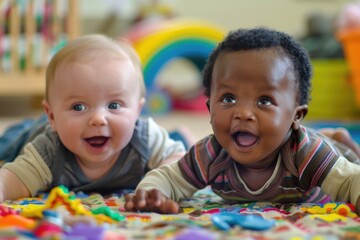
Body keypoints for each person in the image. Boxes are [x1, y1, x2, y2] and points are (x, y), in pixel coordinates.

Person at [124, 27, 360, 214]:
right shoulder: (211, 153)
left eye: (264, 101)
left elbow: (350, 181)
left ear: (296, 116)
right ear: (209, 109)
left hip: (327, 154)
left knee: (348, 161)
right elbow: (169, 177)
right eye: (228, 98)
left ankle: (338, 140)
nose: (243, 113)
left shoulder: (305, 152)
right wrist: (151, 192)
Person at [0, 34, 187, 201]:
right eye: (78, 107)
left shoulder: (145, 137)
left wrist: (157, 186)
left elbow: (178, 161)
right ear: (52, 116)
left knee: (181, 149)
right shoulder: (48, 151)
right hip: (32, 132)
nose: (98, 119)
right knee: (7, 147)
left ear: (137, 112)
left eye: (114, 105)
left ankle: (178, 135)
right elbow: (12, 181)